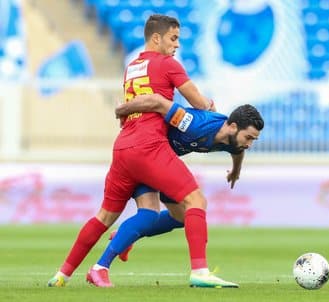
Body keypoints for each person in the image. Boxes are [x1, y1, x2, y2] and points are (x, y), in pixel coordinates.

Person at [48, 14, 234, 289]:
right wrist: (209, 105)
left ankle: (63, 275)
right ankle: (200, 272)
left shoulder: (133, 67)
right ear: (156, 38)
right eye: (174, 38)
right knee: (195, 201)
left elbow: (134, 105)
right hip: (149, 146)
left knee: (112, 216)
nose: (177, 45)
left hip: (123, 146)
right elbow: (197, 101)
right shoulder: (168, 64)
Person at [92, 94, 264, 287]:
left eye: (253, 140)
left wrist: (235, 171)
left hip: (163, 163)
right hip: (146, 155)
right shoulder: (197, 125)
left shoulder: (232, 139)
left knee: (182, 216)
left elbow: (238, 151)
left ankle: (128, 233)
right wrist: (124, 110)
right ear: (232, 127)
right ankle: (101, 266)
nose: (249, 144)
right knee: (192, 204)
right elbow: (158, 103)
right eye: (248, 138)